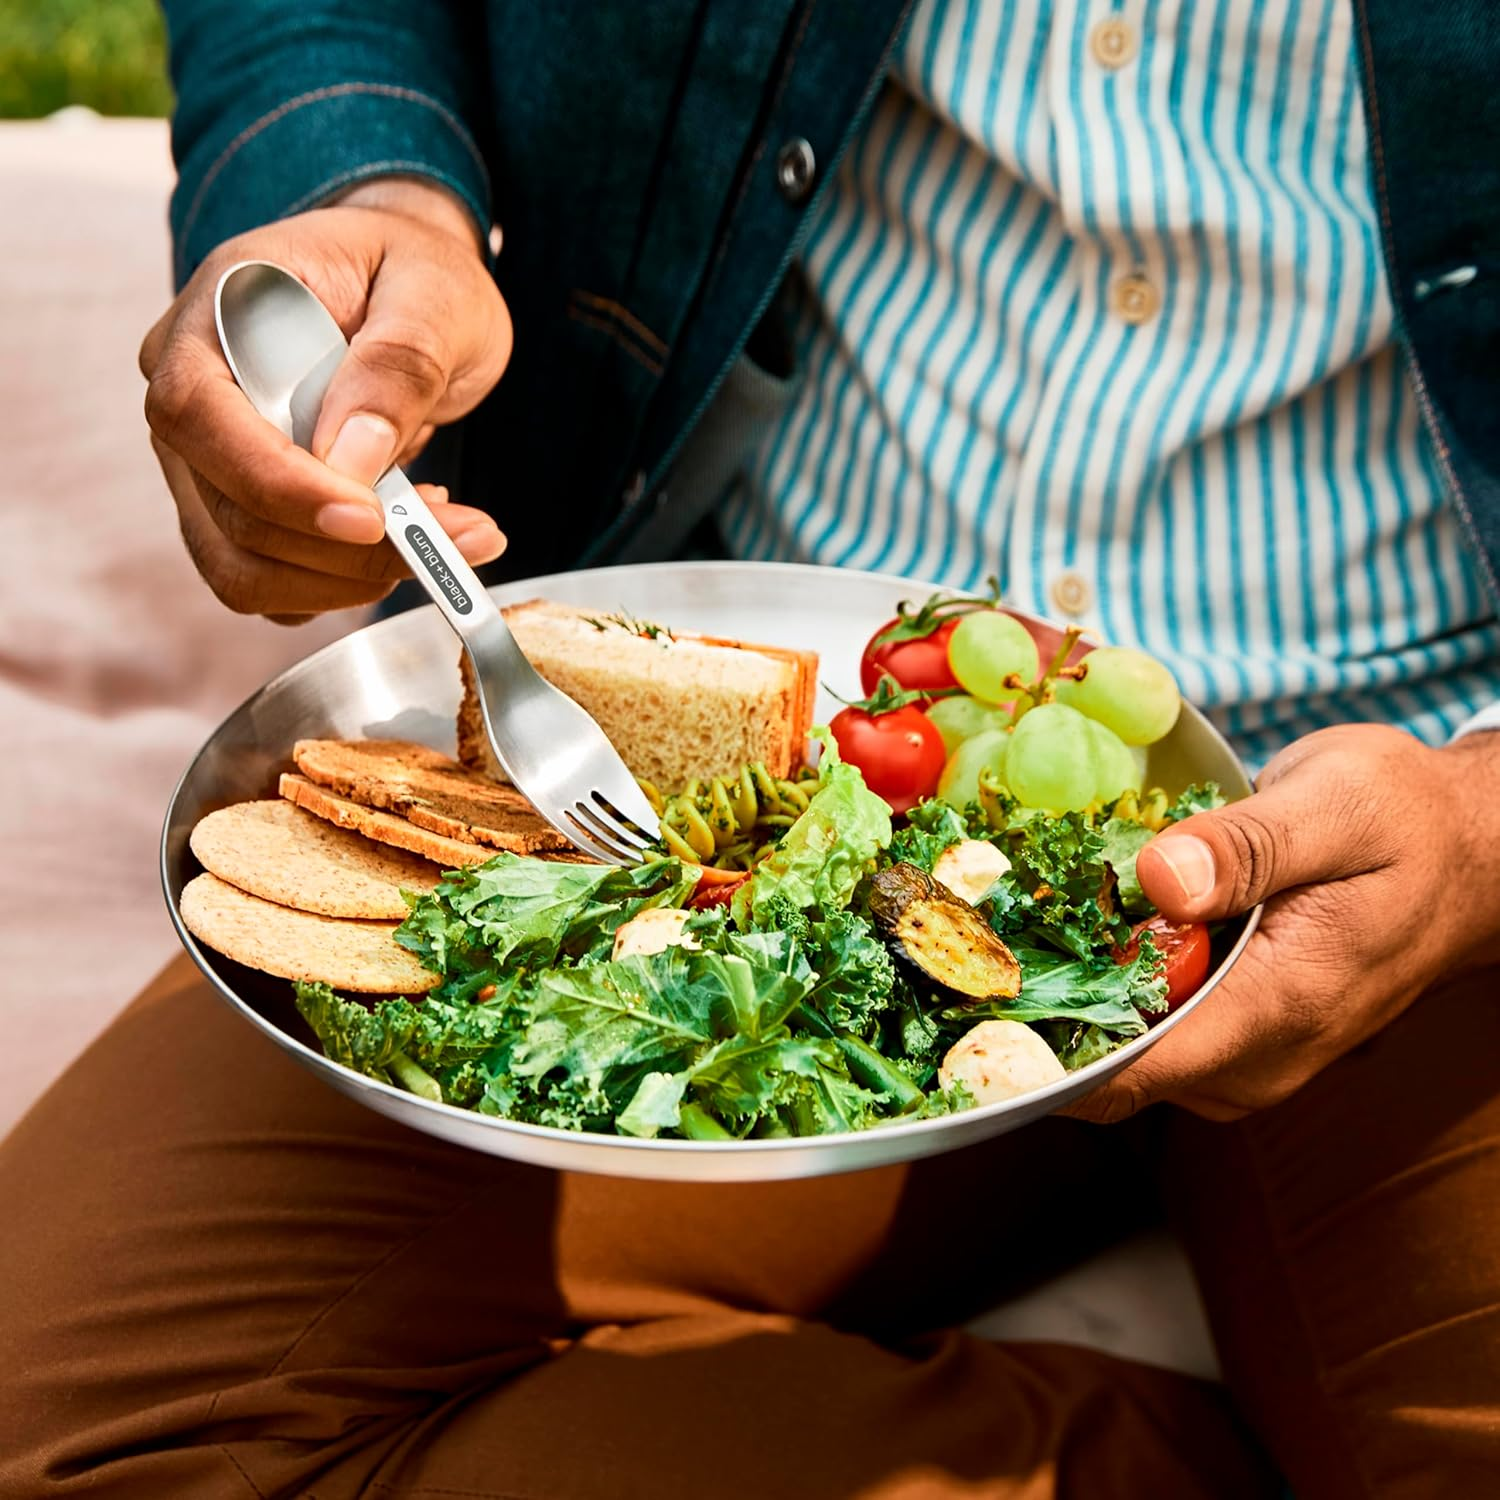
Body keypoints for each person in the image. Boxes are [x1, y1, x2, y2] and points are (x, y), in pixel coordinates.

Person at [3, 2, 1497, 1496]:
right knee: (59, 1429)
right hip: (750, 702)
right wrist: (367, 200)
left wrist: (1481, 825)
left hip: (1416, 790)